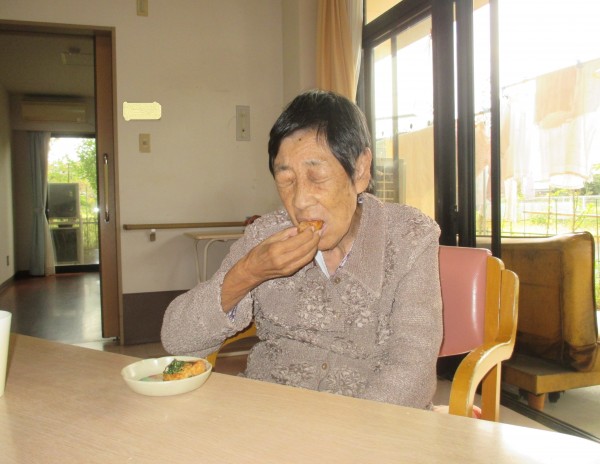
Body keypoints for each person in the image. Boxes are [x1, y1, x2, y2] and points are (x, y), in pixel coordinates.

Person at [161, 89, 443, 410]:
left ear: (361, 170)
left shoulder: (409, 236)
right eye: (287, 180)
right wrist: (248, 273)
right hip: (269, 414)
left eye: (317, 176)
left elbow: (413, 371)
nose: (300, 201)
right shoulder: (266, 235)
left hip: (369, 424)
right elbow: (178, 340)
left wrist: (343, 432)